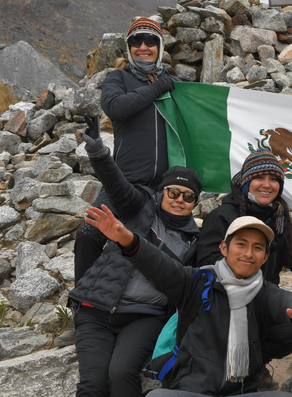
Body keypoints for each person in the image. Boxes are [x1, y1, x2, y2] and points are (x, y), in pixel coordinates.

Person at [83, 210, 292, 397]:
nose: (249, 253)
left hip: (240, 391)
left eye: (257, 248)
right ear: (224, 247)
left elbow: (280, 300)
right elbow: (161, 266)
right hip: (192, 389)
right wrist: (129, 240)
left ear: (265, 257)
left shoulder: (263, 291)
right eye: (241, 244)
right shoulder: (197, 282)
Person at [68, 116, 200, 397]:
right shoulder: (138, 206)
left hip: (145, 316)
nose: (179, 199)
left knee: (121, 375)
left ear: (194, 204)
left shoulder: (195, 241)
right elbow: (116, 184)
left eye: (188, 197)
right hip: (96, 308)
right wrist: (99, 153)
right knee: (92, 385)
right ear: (162, 192)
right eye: (174, 192)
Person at [75, 16, 177, 282]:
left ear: (160, 46)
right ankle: (80, 306)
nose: (143, 46)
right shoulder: (117, 78)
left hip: (165, 188)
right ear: (129, 47)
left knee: (158, 251)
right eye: (136, 41)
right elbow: (116, 107)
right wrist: (156, 88)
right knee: (89, 234)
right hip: (125, 184)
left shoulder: (175, 85)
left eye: (151, 41)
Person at [198, 148, 292, 366]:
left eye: (274, 179)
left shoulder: (279, 219)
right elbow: (207, 265)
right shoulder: (222, 217)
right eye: (259, 177)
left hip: (264, 303)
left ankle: (255, 364)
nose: (267, 184)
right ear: (246, 182)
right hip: (223, 304)